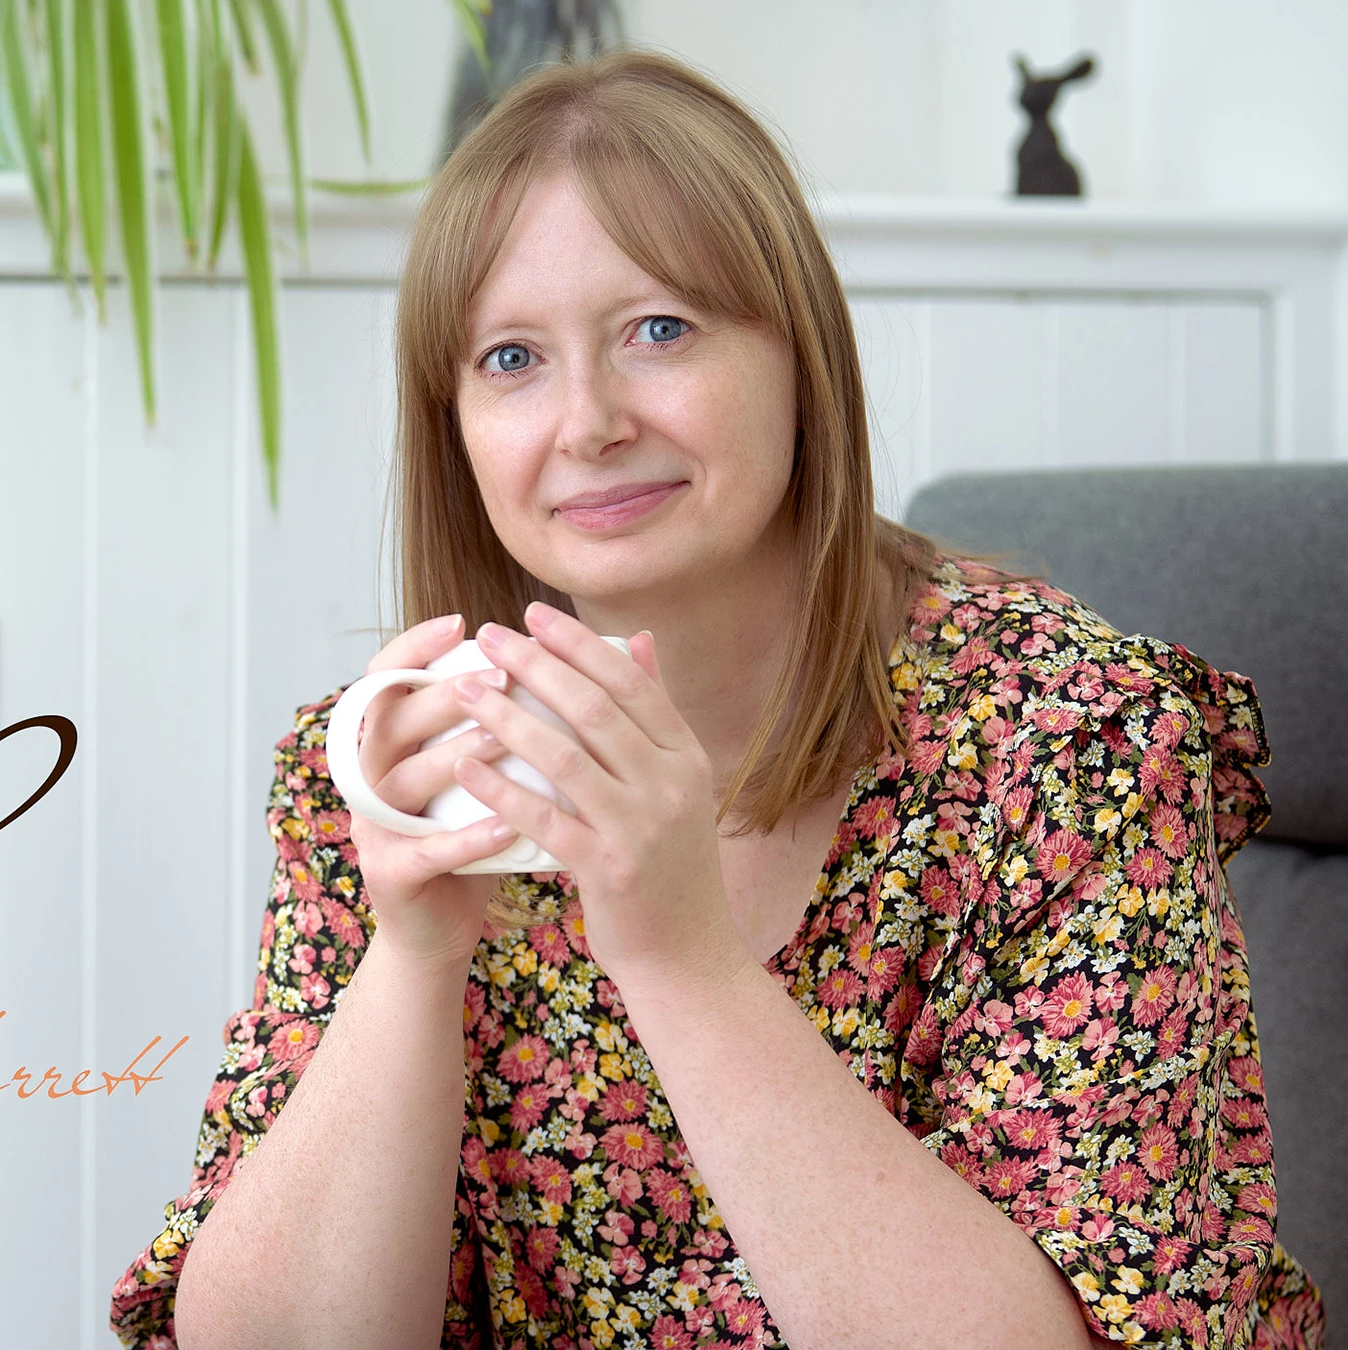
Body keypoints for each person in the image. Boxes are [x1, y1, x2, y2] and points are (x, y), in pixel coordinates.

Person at [106, 48, 1325, 1350]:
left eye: (660, 330)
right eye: (511, 357)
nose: (585, 422)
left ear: (797, 351)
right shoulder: (390, 764)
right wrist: (409, 957)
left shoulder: (1075, 745)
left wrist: (679, 951)